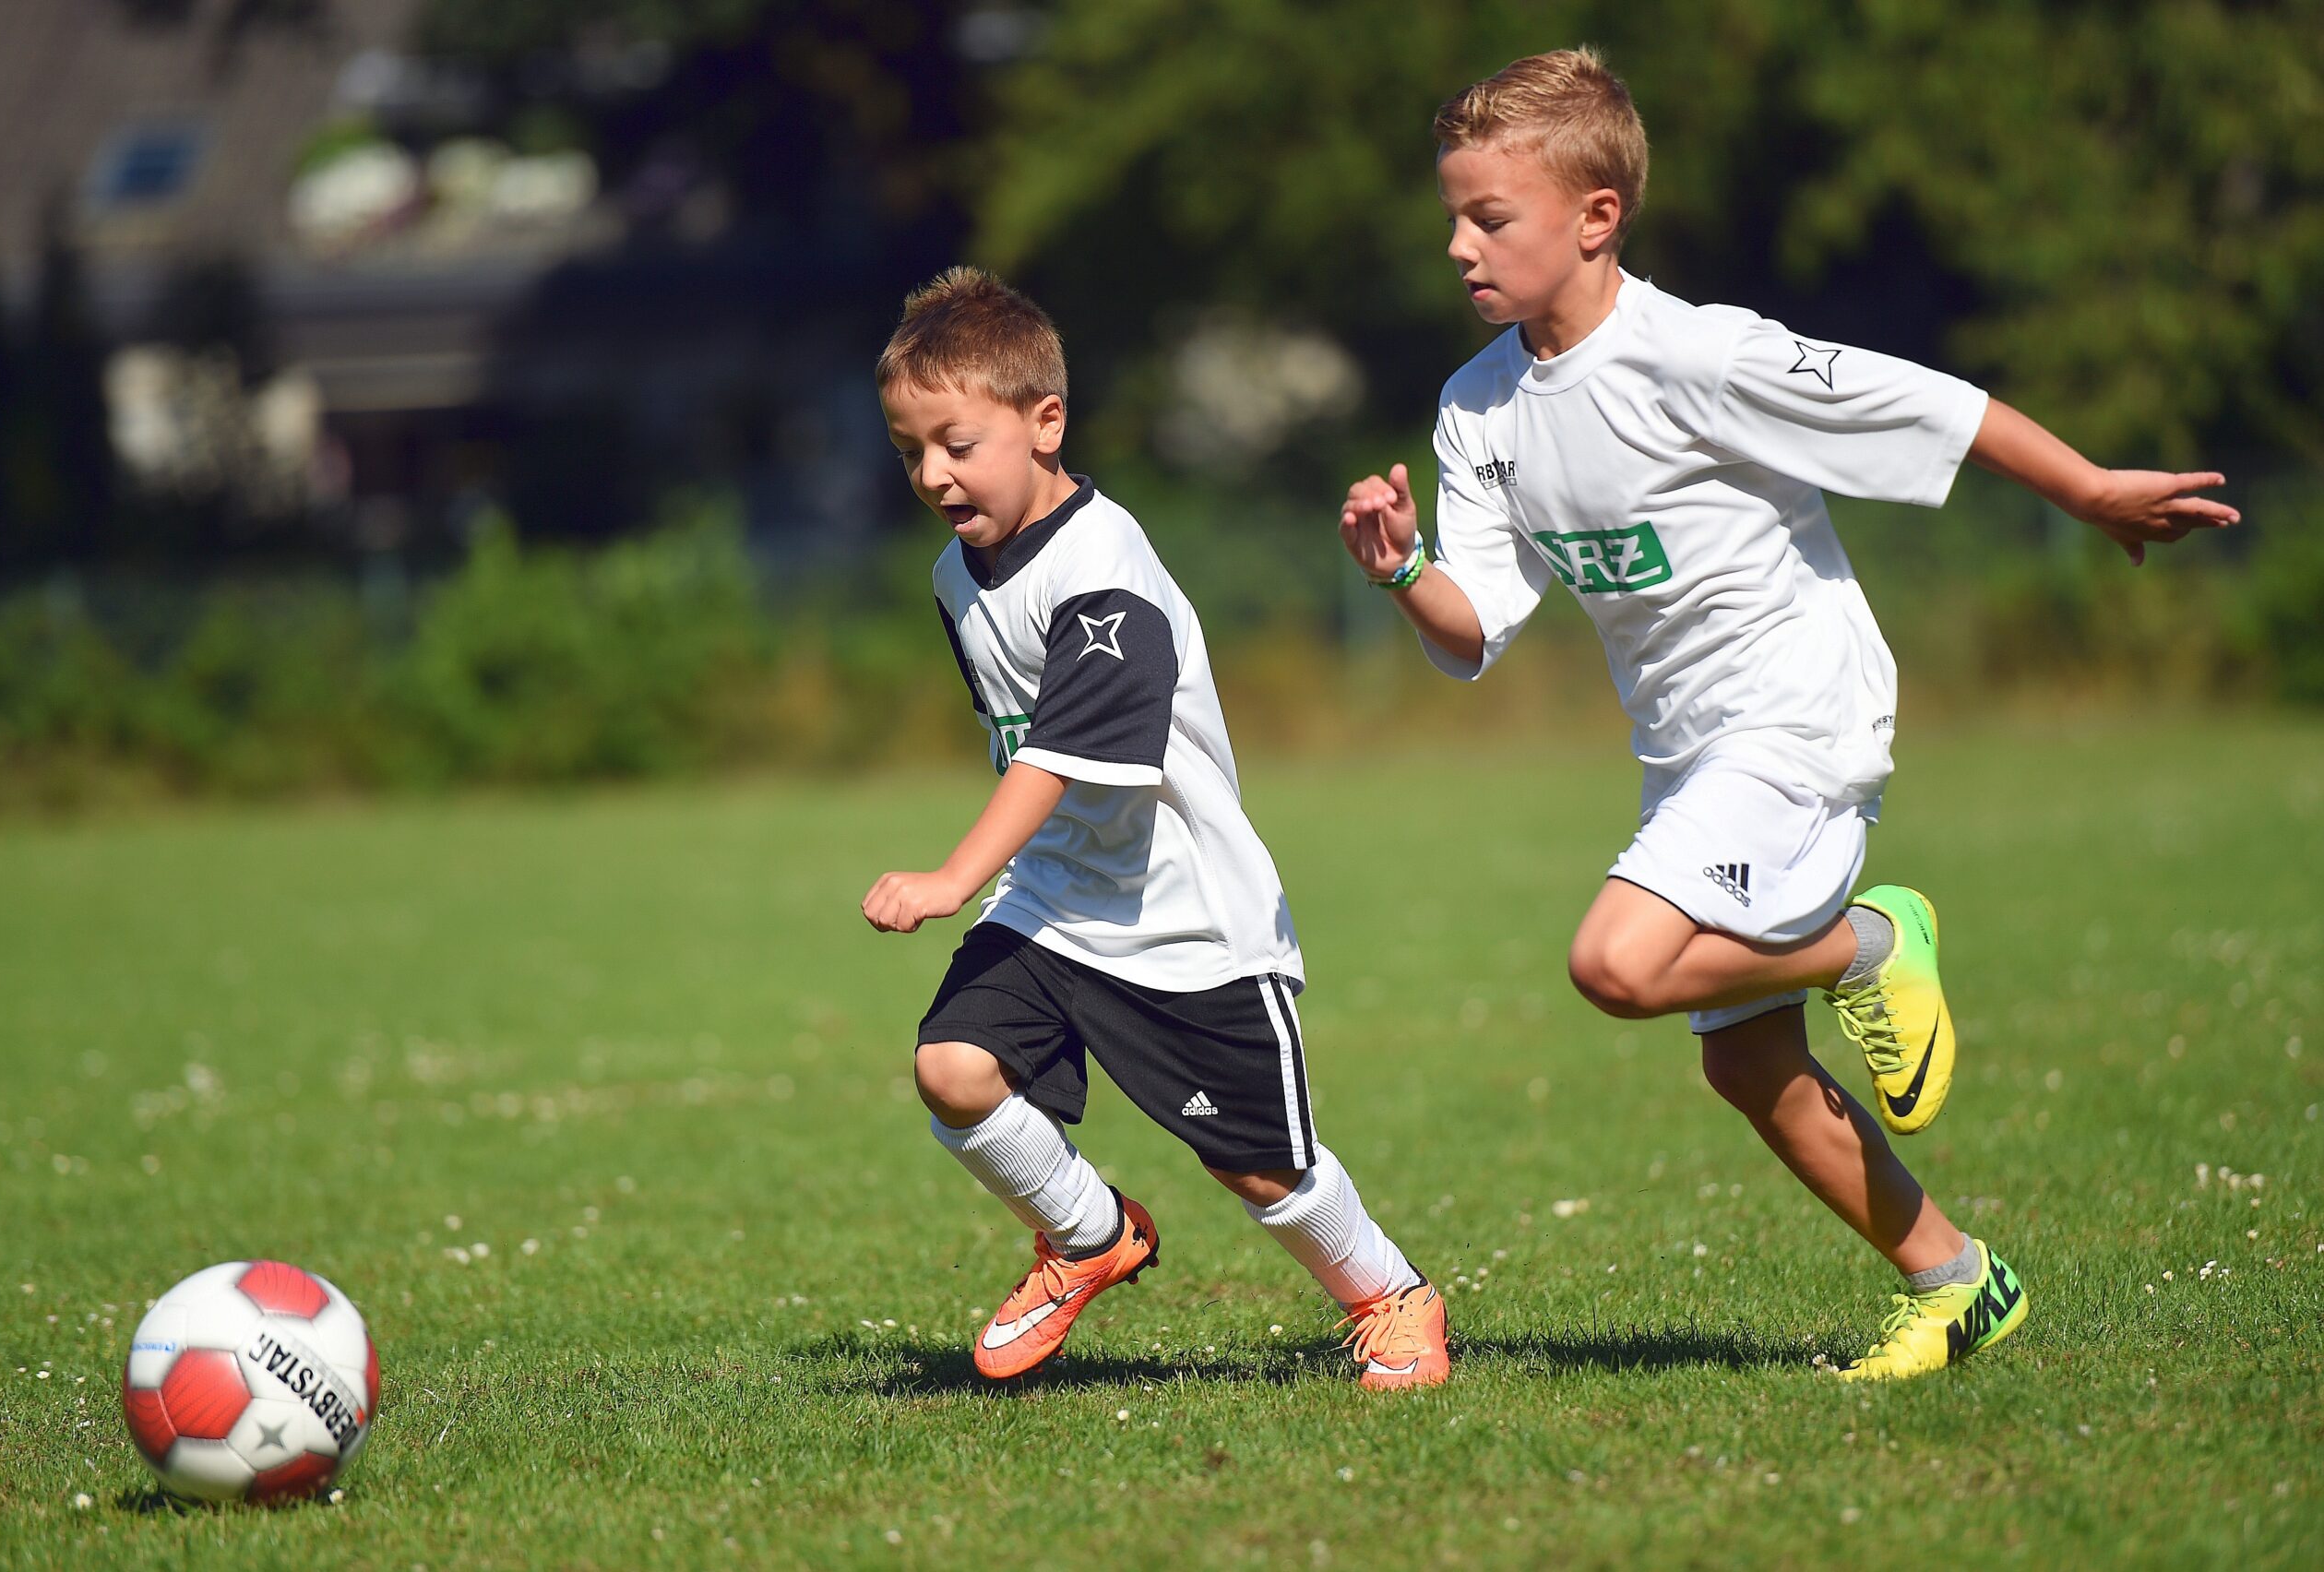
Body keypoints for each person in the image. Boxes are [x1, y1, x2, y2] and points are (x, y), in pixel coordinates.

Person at [1337, 49, 2236, 1379]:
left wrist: (2090, 488)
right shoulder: (1480, 410)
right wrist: (1408, 571)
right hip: (1688, 753)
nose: (1459, 245)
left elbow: (1926, 404)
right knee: (1745, 1066)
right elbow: (1481, 631)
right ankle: (1956, 1281)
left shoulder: (1698, 351)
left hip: (1797, 714)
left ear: (1597, 216)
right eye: (1454, 218)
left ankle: (1866, 941)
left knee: (1616, 964)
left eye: (1491, 218)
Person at [865, 267, 1448, 1387]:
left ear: (1046, 424)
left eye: (955, 443)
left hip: (1184, 921)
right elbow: (1012, 729)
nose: (933, 475)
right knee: (952, 1068)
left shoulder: (1106, 573)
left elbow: (1060, 755)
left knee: (1260, 1172)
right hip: (1052, 903)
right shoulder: (957, 573)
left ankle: (1392, 1295)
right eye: (909, 452)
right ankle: (1090, 1235)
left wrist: (949, 878)